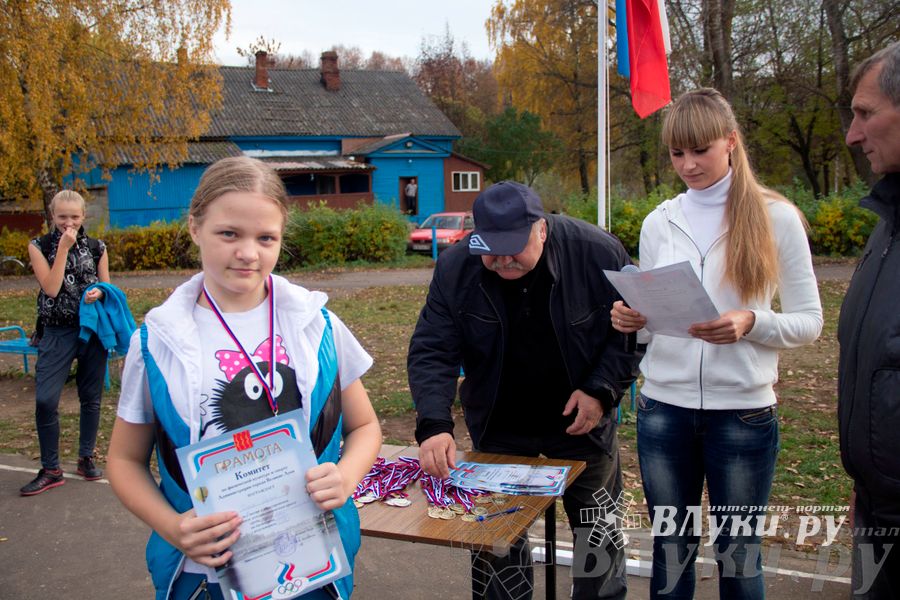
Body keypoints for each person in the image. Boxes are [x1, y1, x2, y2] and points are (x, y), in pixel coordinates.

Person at [106, 156, 381, 600]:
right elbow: (123, 460)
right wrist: (174, 528)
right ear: (195, 227)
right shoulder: (156, 341)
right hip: (202, 575)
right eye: (229, 233)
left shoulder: (318, 326)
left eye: (265, 237)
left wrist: (346, 477)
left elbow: (365, 426)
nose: (248, 253)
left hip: (312, 568)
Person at [611, 88, 823, 599]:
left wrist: (751, 321)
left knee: (739, 556)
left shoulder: (776, 217)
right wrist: (631, 319)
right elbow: (656, 326)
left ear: (730, 141)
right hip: (664, 410)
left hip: (743, 413)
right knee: (671, 550)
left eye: (700, 150)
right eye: (676, 153)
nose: (688, 165)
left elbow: (810, 322)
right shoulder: (659, 220)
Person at [408, 181, 643, 599]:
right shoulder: (455, 268)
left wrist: (601, 390)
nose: (502, 260)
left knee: (598, 535)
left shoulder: (597, 253)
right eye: (491, 250)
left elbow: (631, 331)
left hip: (582, 421)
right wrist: (434, 424)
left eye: (513, 248)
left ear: (542, 230)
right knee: (496, 539)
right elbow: (432, 349)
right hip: (500, 422)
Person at [837, 41, 900, 598]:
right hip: (878, 505)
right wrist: (869, 475)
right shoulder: (886, 226)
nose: (852, 136)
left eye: (865, 113)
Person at [20, 190, 110, 496]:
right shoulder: (39, 246)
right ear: (52, 216)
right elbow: (52, 288)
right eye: (62, 217)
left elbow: (108, 288)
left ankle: (86, 457)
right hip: (57, 332)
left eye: (74, 216)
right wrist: (62, 249)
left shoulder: (98, 247)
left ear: (83, 216)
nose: (68, 223)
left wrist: (101, 292)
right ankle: (51, 469)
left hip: (91, 329)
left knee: (91, 397)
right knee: (46, 400)